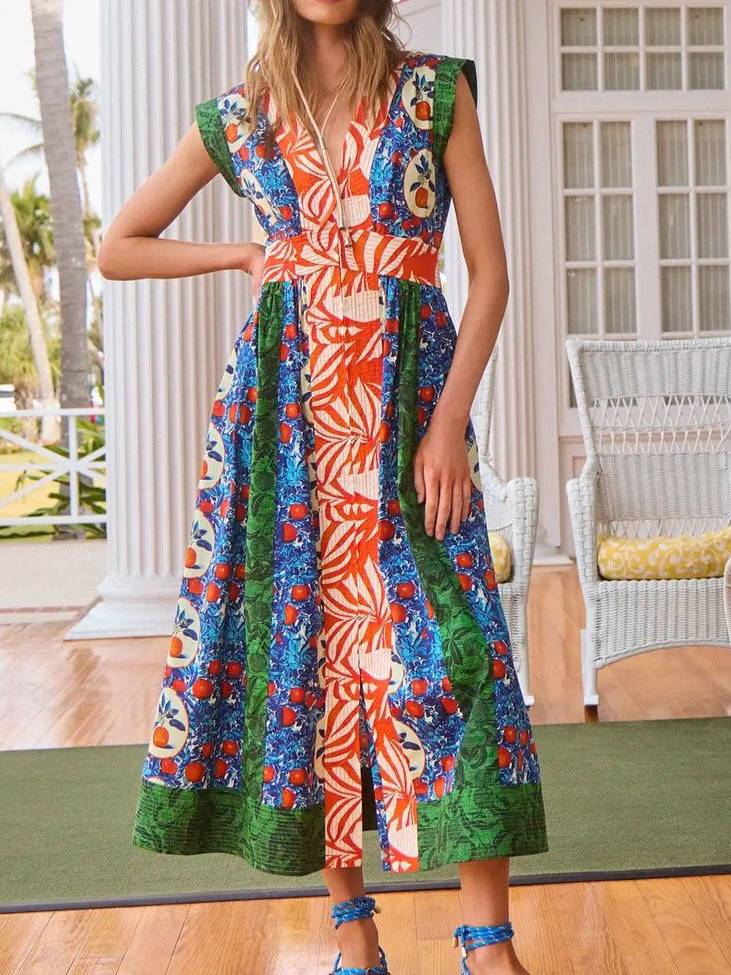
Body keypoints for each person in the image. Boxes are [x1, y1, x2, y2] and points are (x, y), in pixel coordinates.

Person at [98, 2, 548, 973]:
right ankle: (352, 933)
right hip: (284, 422)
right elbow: (117, 245)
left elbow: (489, 275)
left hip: (409, 415)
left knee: (455, 656)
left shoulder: (434, 91)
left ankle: (486, 943)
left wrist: (447, 428)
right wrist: (239, 254)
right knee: (306, 661)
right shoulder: (240, 114)